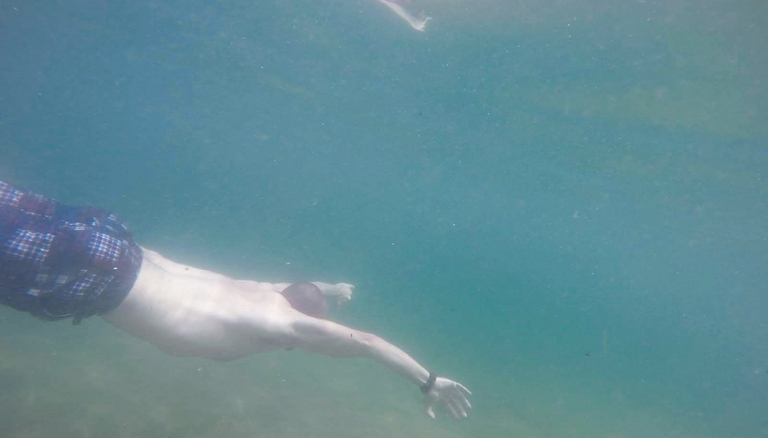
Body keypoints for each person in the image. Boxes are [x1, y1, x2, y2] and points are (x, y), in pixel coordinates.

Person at [0, 179, 471, 420]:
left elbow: (283, 288)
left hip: (114, 241)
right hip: (98, 281)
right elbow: (366, 342)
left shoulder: (252, 291)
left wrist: (327, 288)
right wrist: (427, 380)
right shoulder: (281, 326)